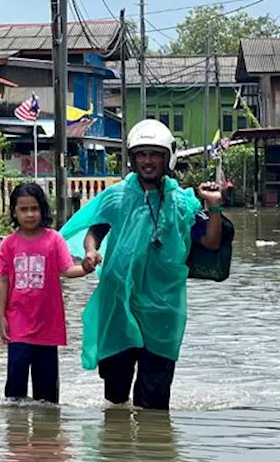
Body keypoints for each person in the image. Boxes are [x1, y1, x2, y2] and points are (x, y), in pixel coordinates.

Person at [60, 120, 224, 410]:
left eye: (155, 154)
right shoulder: (117, 196)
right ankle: (118, 451)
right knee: (115, 395)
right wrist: (90, 251)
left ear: (168, 157)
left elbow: (210, 243)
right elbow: (96, 230)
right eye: (141, 154)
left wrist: (214, 206)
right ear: (132, 159)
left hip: (163, 308)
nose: (148, 161)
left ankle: (153, 453)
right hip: (118, 301)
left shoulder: (183, 202)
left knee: (155, 400)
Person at [0, 182, 90, 404]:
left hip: (48, 324)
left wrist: (85, 268)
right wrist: (0, 317)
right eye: (24, 209)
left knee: (47, 395)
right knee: (15, 391)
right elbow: (2, 281)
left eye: (34, 209)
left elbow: (67, 270)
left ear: (43, 210)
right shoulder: (8, 245)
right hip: (17, 324)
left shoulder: (54, 239)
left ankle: (46, 436)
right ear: (14, 212)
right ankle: (16, 434)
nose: (30, 214)